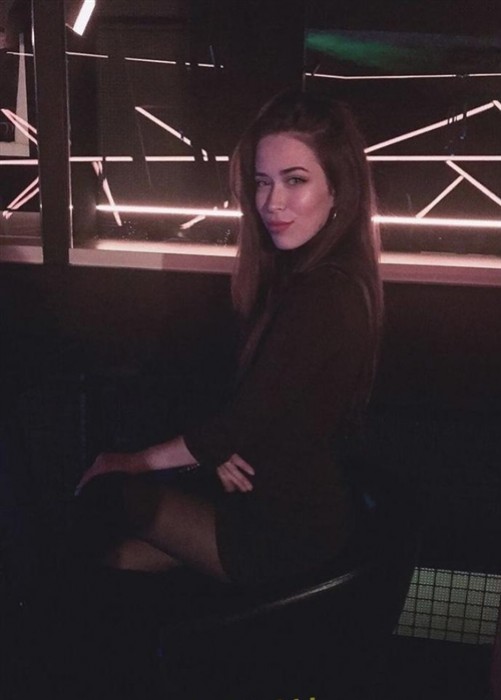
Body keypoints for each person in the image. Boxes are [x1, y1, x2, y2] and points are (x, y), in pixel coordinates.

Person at [75, 88, 383, 590]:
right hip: (276, 507)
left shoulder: (326, 294)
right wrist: (220, 449)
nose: (272, 202)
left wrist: (129, 462)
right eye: (262, 182)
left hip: (285, 531)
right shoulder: (312, 277)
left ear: (338, 191)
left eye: (295, 180)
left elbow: (236, 424)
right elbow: (260, 409)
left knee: (108, 494)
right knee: (115, 558)